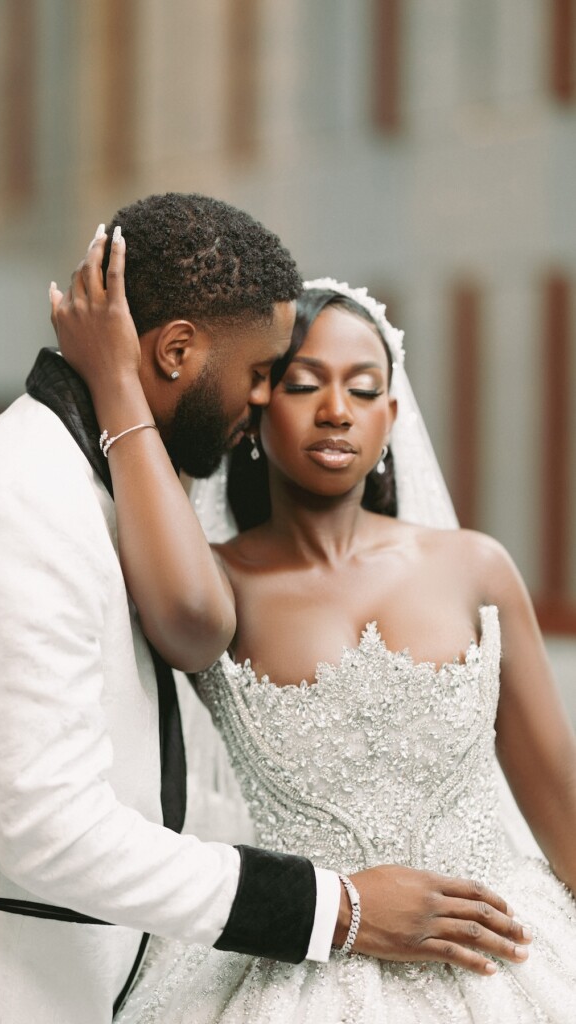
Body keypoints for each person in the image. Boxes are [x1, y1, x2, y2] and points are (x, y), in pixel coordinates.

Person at [62, 274, 576, 1021]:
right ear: (255, 406)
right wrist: (115, 381)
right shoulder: (217, 584)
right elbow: (175, 616)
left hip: (499, 958)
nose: (337, 412)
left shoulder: (475, 567)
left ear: (391, 415)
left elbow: (561, 811)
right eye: (304, 384)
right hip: (304, 964)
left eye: (363, 390)